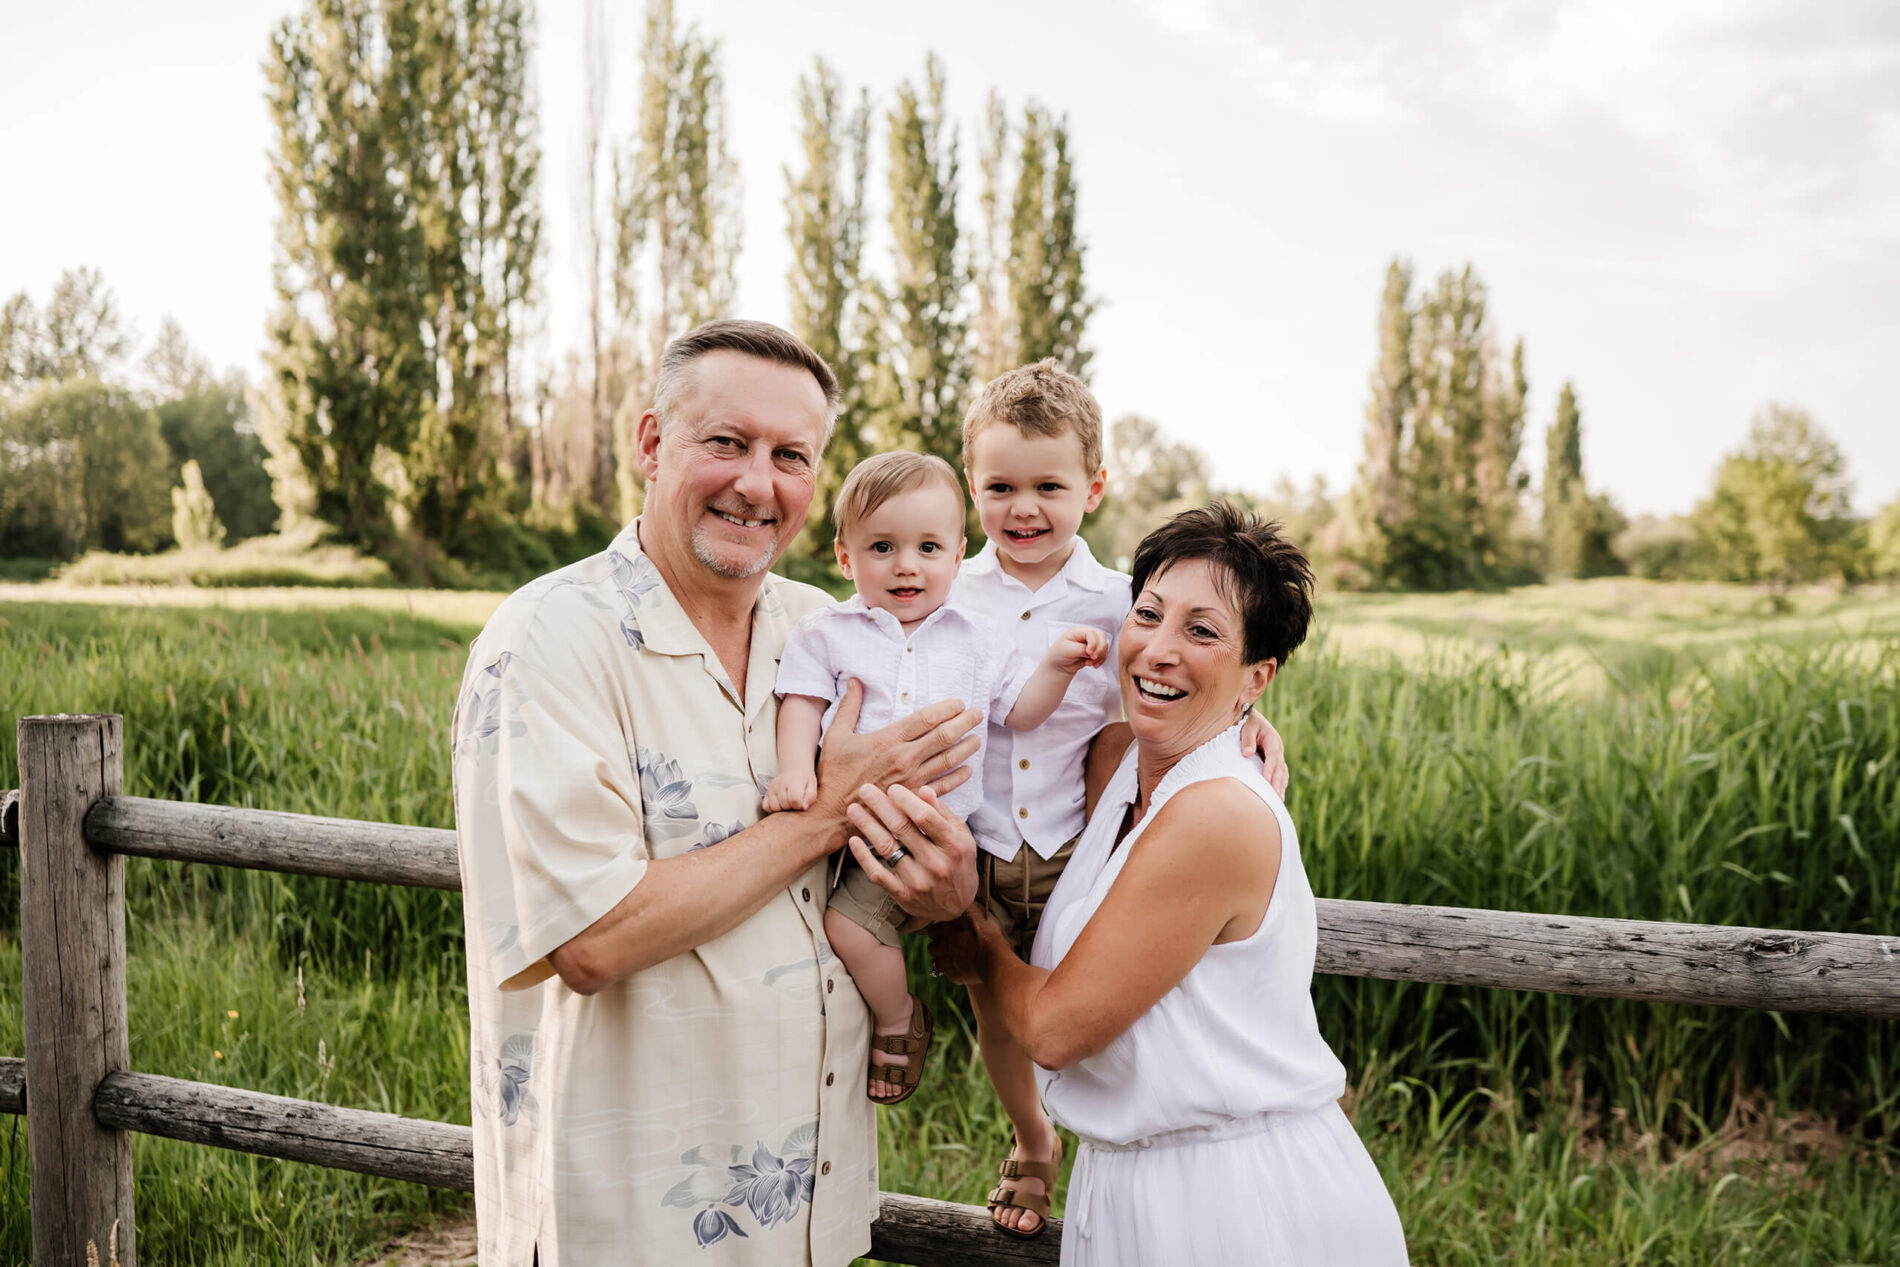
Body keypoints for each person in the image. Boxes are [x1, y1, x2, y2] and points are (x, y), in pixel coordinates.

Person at [451, 320, 991, 1265]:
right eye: (726, 443)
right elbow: (591, 937)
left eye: (791, 455)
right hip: (633, 1223)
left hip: (808, 1213)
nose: (757, 482)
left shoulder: (829, 627)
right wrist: (827, 810)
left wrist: (943, 888)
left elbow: (1034, 644)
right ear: (653, 444)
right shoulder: (547, 640)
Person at [926, 502, 1409, 1265]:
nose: (1156, 648)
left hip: (1239, 1203)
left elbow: (1055, 1030)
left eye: (1202, 630)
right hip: (1131, 1185)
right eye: (1147, 614)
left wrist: (974, 934)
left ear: (1260, 674)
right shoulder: (1116, 764)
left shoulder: (1218, 812)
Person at [945, 361, 1283, 1236]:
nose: (1024, 509)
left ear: (1093, 487)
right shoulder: (942, 587)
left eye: (1049, 486)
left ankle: (1106, 1128)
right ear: (969, 483)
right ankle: (1030, 1134)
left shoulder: (1120, 600)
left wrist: (1252, 726)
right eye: (1001, 486)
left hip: (1069, 838)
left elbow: (1190, 668)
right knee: (991, 1004)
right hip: (972, 836)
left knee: (1062, 986)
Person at [762, 450, 1109, 1105]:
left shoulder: (978, 639)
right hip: (854, 821)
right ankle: (896, 1007)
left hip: (937, 831)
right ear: (845, 557)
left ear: (958, 557)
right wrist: (791, 770)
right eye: (882, 547)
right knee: (827, 928)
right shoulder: (828, 632)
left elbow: (1021, 711)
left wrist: (1058, 667)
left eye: (927, 547)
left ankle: (917, 1023)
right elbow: (802, 701)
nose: (906, 565)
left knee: (876, 931)